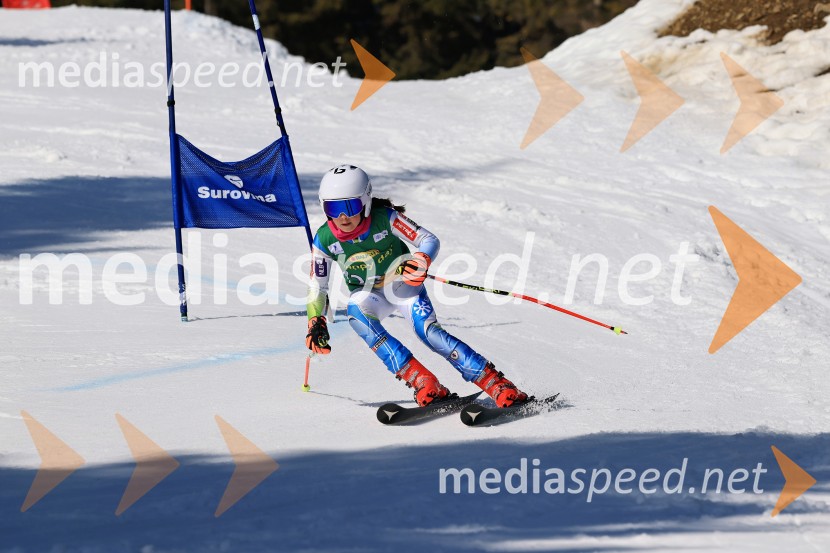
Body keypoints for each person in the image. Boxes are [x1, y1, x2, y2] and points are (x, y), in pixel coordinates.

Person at [305, 164, 528, 408]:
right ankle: (423, 381)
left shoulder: (385, 218)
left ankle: (497, 385)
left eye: (349, 207)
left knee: (428, 333)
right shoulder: (324, 239)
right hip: (368, 295)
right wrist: (316, 321)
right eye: (333, 208)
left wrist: (421, 259)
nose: (342, 217)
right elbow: (318, 286)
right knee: (356, 315)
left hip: (403, 287)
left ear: (366, 202)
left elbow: (428, 239)